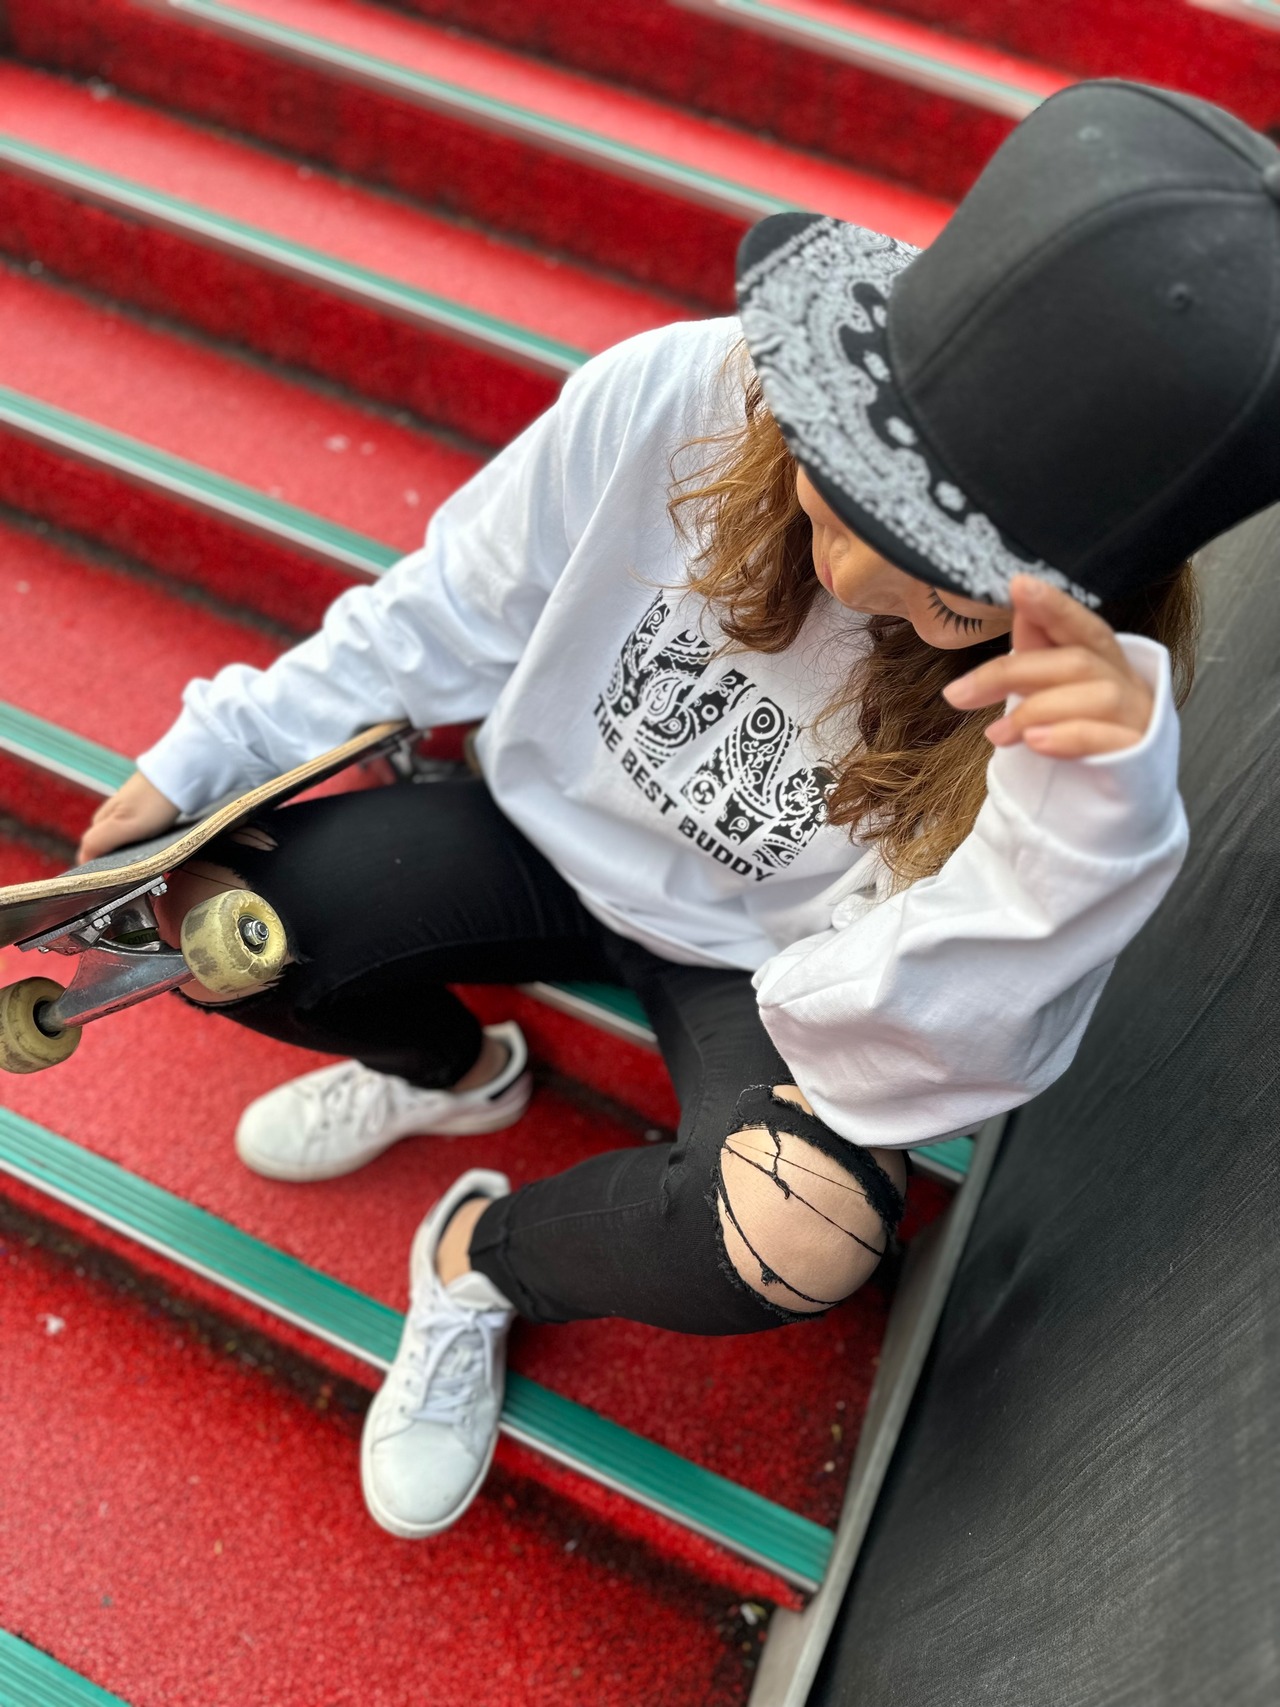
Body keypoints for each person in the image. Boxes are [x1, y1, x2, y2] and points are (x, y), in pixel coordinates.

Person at [74, 79, 1280, 1540]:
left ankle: (477, 1260)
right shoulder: (693, 393)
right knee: (214, 915)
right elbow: (451, 606)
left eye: (948, 586)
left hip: (767, 964)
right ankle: (453, 1076)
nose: (851, 581)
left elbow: (929, 1049)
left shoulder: (1083, 727)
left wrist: (1078, 826)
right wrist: (209, 752)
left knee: (808, 1231)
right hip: (538, 832)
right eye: (843, 498)